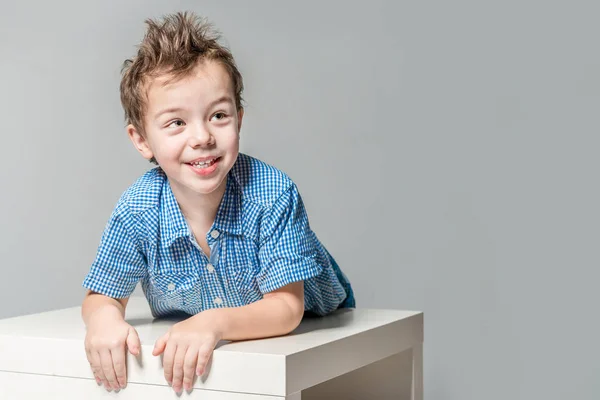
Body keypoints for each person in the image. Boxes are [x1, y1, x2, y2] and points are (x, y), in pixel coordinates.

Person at [81, 11, 355, 395]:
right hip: (208, 322)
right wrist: (104, 321)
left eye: (218, 115)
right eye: (176, 123)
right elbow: (101, 296)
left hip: (314, 316)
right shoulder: (137, 210)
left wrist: (213, 323)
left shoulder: (272, 193)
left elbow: (286, 309)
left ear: (239, 121)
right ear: (141, 140)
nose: (202, 137)